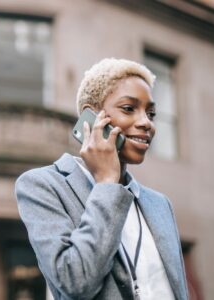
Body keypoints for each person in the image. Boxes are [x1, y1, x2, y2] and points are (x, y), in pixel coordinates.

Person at [15, 58, 188, 300]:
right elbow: (75, 282)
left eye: (151, 113)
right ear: (93, 117)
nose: (146, 123)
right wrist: (107, 182)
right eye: (129, 108)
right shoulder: (42, 185)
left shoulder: (160, 204)